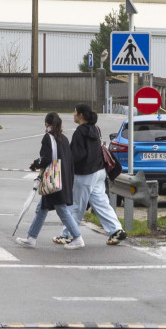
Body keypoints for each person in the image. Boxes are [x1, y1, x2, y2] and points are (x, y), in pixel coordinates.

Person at [52, 104, 126, 246]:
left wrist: (66, 165)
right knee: (101, 203)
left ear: (80, 115)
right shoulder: (95, 129)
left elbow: (77, 155)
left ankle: (67, 234)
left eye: (75, 111)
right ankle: (116, 230)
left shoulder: (80, 132)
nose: (73, 114)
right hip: (99, 172)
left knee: (75, 206)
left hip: (85, 174)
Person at [15, 112, 84, 249]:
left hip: (53, 180)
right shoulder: (63, 138)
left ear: (47, 124)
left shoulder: (48, 138)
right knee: (42, 208)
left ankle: (77, 237)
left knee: (61, 209)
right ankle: (31, 237)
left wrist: (35, 163)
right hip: (62, 178)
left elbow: (46, 158)